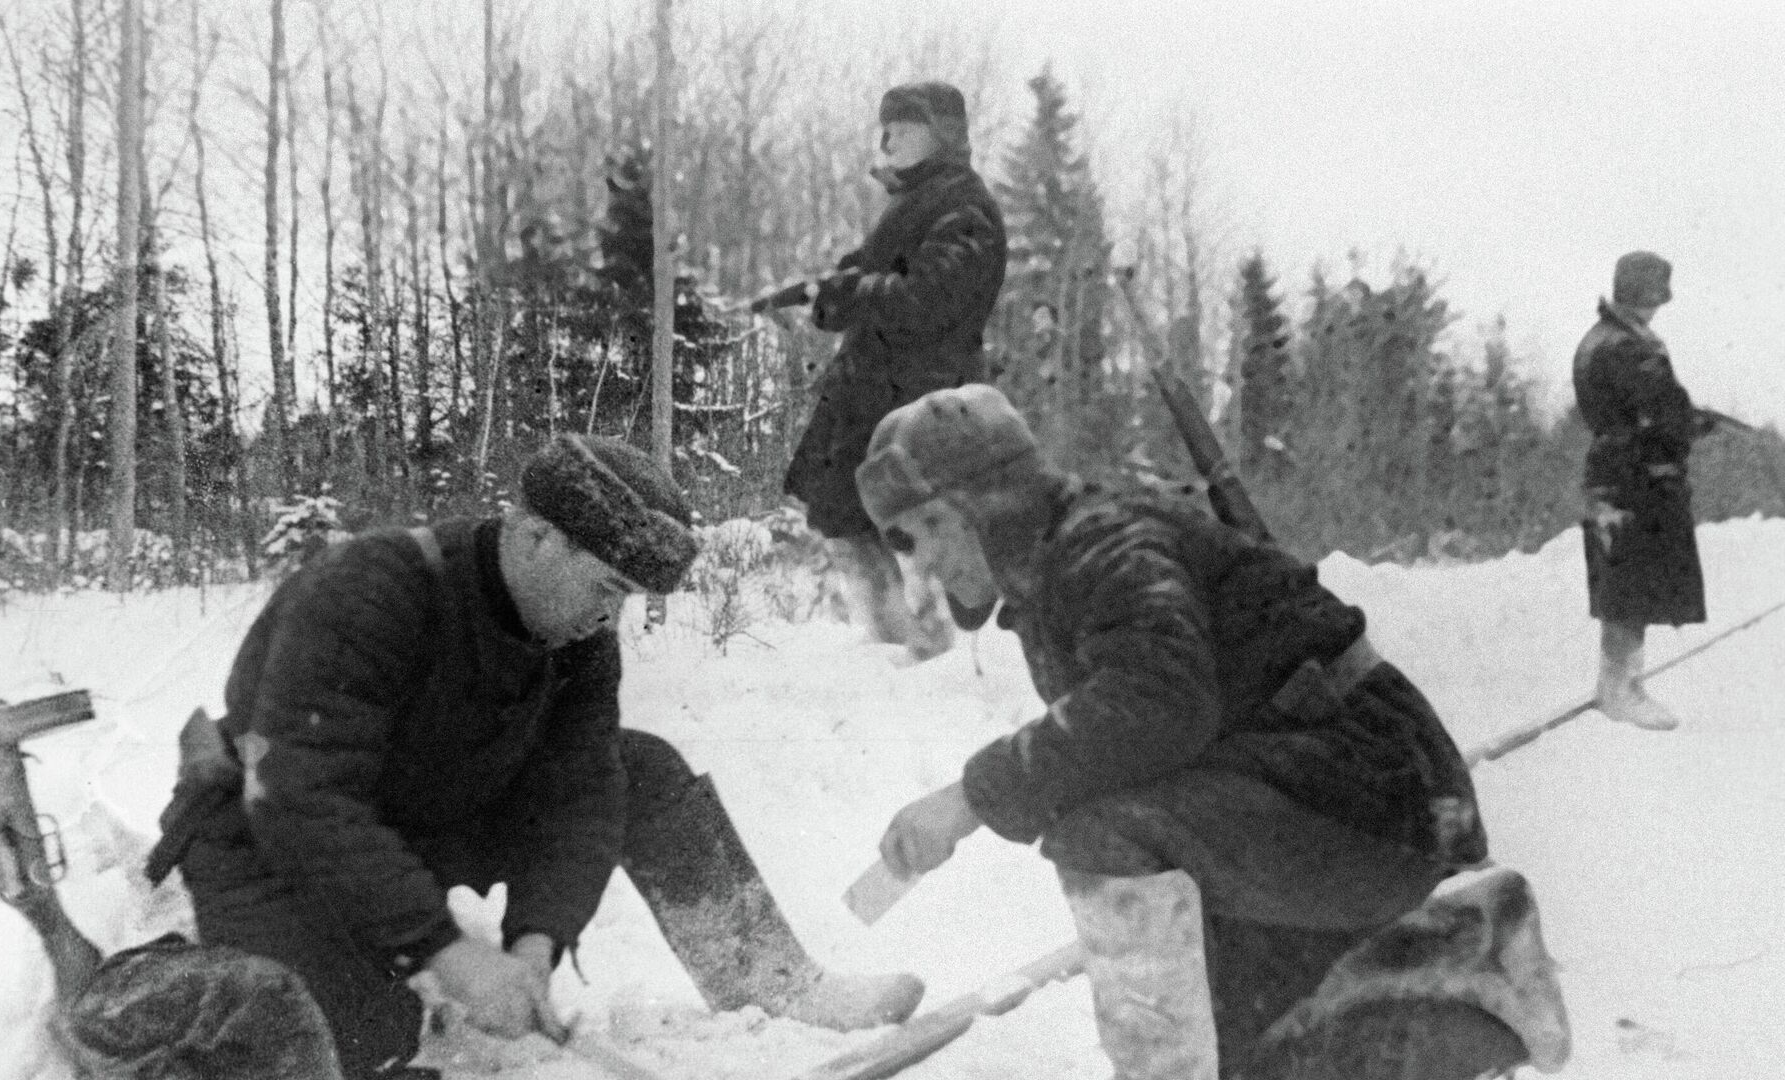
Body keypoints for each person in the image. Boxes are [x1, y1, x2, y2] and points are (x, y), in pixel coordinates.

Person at [130, 434, 923, 1080]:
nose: (610, 614)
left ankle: (772, 982)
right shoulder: (371, 589)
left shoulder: (580, 636)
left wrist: (536, 942)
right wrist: (446, 952)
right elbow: (302, 800)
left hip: (423, 818)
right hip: (271, 842)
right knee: (364, 1043)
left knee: (639, 767)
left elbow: (582, 791)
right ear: (536, 534)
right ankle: (185, 975)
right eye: (605, 586)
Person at [853, 385, 1499, 1079]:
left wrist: (971, 799)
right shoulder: (1073, 553)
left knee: (1102, 834)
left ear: (984, 505)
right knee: (1258, 1055)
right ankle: (1458, 976)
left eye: (924, 530)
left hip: (1376, 796)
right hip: (1350, 794)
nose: (919, 561)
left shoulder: (1107, 544)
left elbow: (1158, 705)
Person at [774, 80, 1007, 659]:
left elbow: (932, 297)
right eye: (888, 127)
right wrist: (827, 293)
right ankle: (891, 643)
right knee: (848, 518)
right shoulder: (912, 203)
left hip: (921, 399)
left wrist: (855, 289)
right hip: (874, 395)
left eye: (907, 127)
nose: (889, 139)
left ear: (943, 135)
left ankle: (933, 647)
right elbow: (864, 279)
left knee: (911, 522)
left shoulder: (964, 206)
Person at [1574, 251, 1708, 731]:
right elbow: (1665, 410)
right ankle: (1621, 691)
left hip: (1609, 472)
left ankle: (1622, 684)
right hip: (1639, 477)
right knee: (1634, 583)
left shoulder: (1596, 339)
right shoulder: (1634, 345)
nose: (1657, 308)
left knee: (1623, 580)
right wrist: (1693, 423)